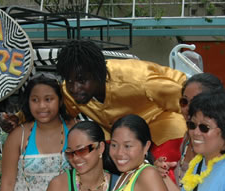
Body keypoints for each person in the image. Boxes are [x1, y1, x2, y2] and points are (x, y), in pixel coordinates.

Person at [56, 39, 187, 176]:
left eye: (82, 81)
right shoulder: (69, 91)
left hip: (163, 123)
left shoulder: (139, 81)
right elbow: (64, 120)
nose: (75, 88)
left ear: (98, 75)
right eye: (70, 81)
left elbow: (185, 100)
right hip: (119, 135)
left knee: (163, 171)